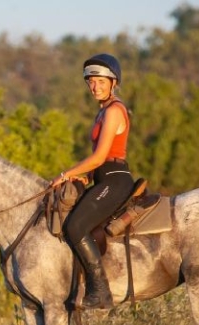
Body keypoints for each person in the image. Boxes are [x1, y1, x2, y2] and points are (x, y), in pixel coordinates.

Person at [49, 53, 135, 309]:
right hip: (101, 179)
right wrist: (81, 175)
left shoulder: (114, 111)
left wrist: (65, 174)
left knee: (75, 226)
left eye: (100, 81)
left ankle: (101, 290)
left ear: (113, 82)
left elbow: (99, 157)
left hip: (115, 180)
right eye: (90, 82)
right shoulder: (102, 112)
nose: (94, 87)